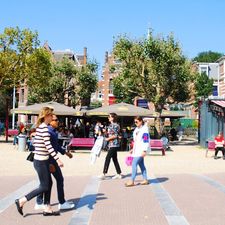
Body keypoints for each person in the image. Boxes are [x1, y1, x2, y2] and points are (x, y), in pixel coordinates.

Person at [15, 107, 63, 217]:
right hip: (41, 161)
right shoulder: (44, 128)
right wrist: (57, 159)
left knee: (48, 183)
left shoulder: (40, 128)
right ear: (46, 116)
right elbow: (48, 146)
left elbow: (38, 144)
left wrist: (48, 161)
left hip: (42, 160)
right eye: (51, 115)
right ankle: (22, 200)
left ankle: (47, 208)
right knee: (44, 186)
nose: (52, 117)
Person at [35, 114, 74, 210]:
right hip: (50, 160)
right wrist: (52, 162)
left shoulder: (52, 131)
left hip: (49, 160)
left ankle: (40, 202)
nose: (58, 122)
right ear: (50, 120)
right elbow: (49, 148)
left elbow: (55, 146)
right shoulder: (49, 131)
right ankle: (61, 202)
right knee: (58, 180)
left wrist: (65, 153)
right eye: (56, 120)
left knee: (45, 183)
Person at [125, 116, 150, 187]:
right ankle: (145, 179)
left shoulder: (145, 129)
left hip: (141, 150)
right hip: (137, 150)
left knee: (134, 163)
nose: (135, 123)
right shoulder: (136, 129)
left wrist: (144, 150)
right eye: (135, 122)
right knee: (141, 165)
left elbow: (146, 140)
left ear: (141, 121)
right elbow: (136, 141)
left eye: (137, 121)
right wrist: (133, 149)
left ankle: (132, 180)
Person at [99, 113, 122, 179]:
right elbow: (110, 134)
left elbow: (115, 135)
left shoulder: (115, 125)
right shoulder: (111, 125)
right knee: (114, 159)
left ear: (113, 118)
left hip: (114, 144)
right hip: (112, 144)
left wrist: (107, 139)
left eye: (109, 117)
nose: (108, 118)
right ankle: (119, 173)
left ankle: (104, 173)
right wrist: (105, 132)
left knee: (107, 158)